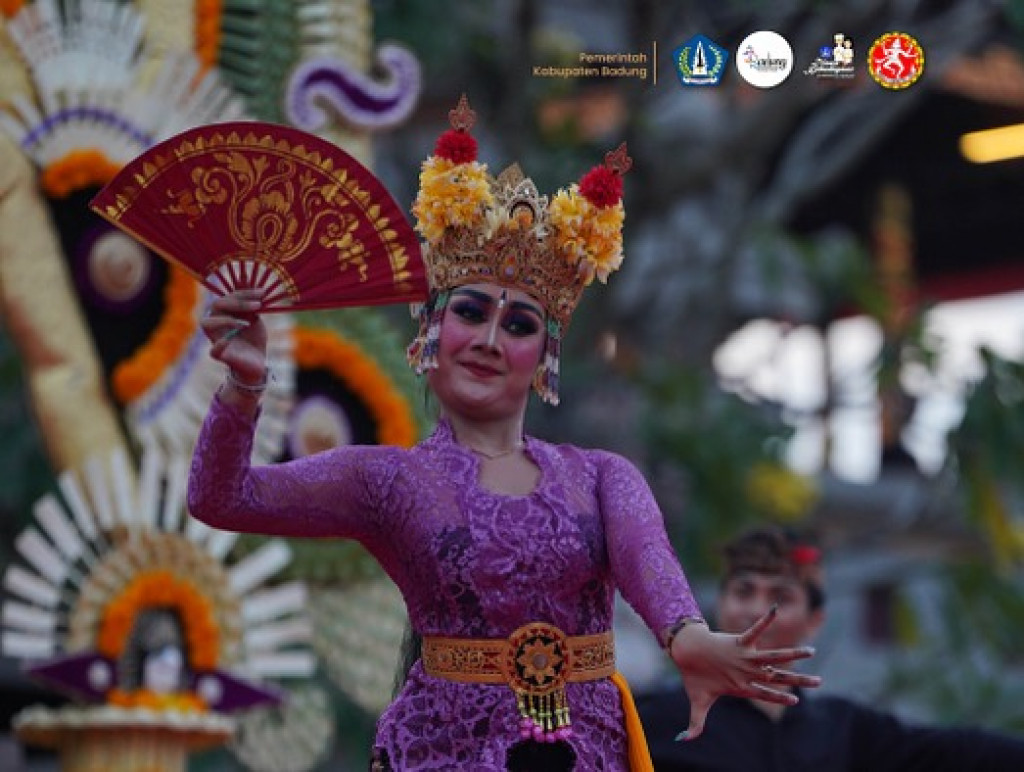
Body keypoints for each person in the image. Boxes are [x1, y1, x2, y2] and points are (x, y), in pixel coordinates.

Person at [187, 95, 820, 771]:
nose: (490, 339)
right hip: (441, 752)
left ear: (544, 356)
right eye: (470, 312)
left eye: (518, 324)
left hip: (583, 752)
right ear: (432, 330)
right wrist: (244, 386)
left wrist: (688, 637)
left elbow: (648, 560)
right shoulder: (387, 480)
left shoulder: (602, 475)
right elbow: (222, 498)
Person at [637, 525, 1024, 771]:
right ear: (719, 606)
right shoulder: (656, 719)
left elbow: (958, 753)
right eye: (743, 591)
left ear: (814, 620)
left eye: (781, 597)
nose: (757, 610)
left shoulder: (842, 730)